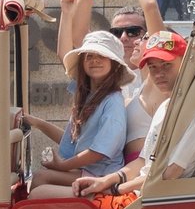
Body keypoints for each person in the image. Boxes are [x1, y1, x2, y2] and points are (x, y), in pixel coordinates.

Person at [72, 30, 195, 209]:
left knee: (43, 194)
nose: (159, 74)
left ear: (186, 64)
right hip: (140, 197)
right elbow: (143, 161)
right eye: (153, 67)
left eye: (166, 65)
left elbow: (170, 173)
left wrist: (116, 189)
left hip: (153, 205)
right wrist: (106, 181)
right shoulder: (166, 108)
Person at [16, 29, 129, 196]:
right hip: (87, 170)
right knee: (40, 177)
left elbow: (99, 152)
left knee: (40, 182)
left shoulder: (113, 102)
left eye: (102, 56)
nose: (95, 60)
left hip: (102, 177)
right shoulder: (88, 97)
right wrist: (37, 123)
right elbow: (71, 140)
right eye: (89, 56)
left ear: (115, 64)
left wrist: (62, 166)